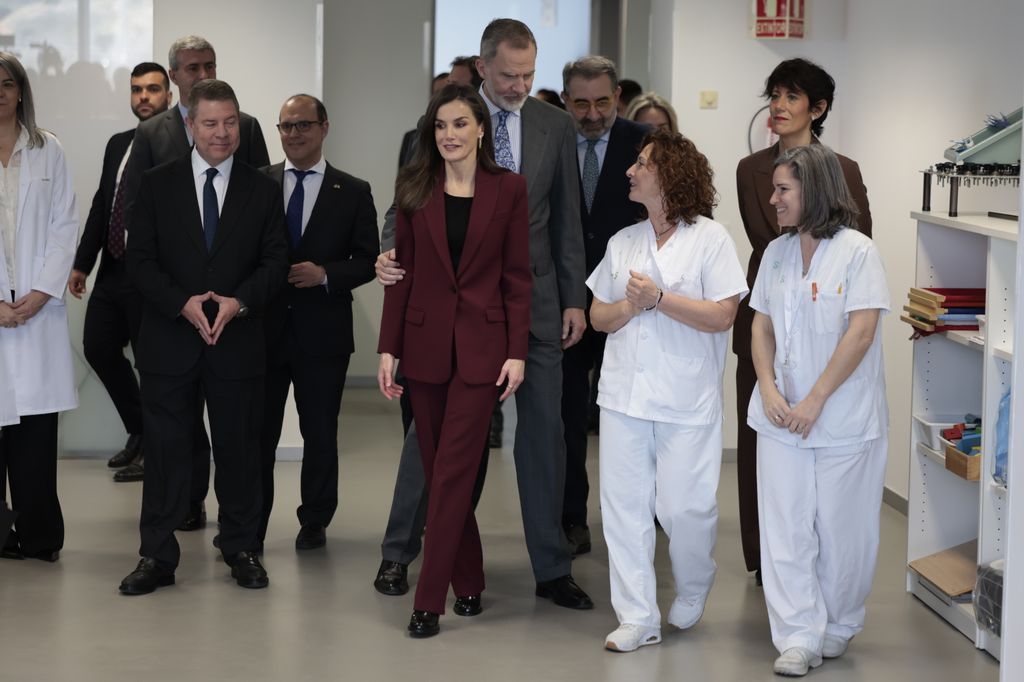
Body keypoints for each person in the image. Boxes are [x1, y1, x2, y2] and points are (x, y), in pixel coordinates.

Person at [373, 18, 592, 612]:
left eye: (529, 74)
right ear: (483, 67)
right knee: (433, 440)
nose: (520, 85)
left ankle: (550, 568)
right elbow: (406, 204)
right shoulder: (444, 123)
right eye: (508, 75)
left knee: (543, 438)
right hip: (452, 314)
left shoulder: (555, 126)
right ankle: (400, 552)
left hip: (536, 308)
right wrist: (391, 249)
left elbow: (568, 220)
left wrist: (575, 298)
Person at [118, 79, 288, 595]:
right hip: (170, 340)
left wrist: (239, 303)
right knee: (168, 452)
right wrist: (180, 303)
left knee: (239, 448)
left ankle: (241, 549)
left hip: (236, 341)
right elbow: (139, 260)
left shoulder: (261, 188)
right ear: (189, 125)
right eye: (210, 123)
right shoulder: (155, 183)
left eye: (230, 122)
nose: (222, 133)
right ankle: (157, 556)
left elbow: (276, 260)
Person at [377, 83, 530, 638]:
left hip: (483, 354)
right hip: (422, 349)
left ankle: (428, 599)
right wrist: (388, 348)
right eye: (440, 126)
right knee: (445, 469)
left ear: (482, 128)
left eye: (460, 124)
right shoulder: (415, 187)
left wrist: (517, 351)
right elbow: (401, 275)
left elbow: (517, 278)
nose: (450, 135)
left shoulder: (509, 189)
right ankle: (469, 580)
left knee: (453, 471)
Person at [588, 130, 747, 652]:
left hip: (686, 399)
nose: (630, 171)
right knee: (624, 509)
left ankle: (695, 582)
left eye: (642, 163)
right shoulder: (623, 241)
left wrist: (659, 299)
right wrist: (630, 307)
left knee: (685, 508)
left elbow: (723, 315)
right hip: (624, 397)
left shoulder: (710, 239)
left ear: (669, 175)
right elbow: (598, 317)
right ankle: (637, 616)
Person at [749, 143, 888, 676]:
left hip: (843, 418)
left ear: (815, 192)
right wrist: (767, 386)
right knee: (784, 527)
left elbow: (862, 332)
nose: (773, 198)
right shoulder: (776, 252)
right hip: (781, 414)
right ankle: (797, 635)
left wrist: (815, 399)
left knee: (843, 530)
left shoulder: (857, 252)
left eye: (784, 189)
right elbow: (760, 324)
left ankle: (839, 623)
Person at [734, 57, 872, 586]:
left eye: (791, 97)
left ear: (817, 109)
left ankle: (820, 557)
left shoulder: (845, 169)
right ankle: (765, 555)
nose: (778, 106)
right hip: (766, 315)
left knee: (823, 441)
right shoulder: (752, 169)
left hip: (827, 324)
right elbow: (768, 243)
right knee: (761, 436)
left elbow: (858, 244)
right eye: (774, 95)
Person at [259, 94, 378, 550]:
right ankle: (251, 520)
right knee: (258, 434)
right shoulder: (259, 183)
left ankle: (315, 519)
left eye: (303, 125)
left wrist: (326, 274)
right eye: (286, 126)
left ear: (324, 127)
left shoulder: (352, 191)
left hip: (323, 334)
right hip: (265, 331)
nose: (294, 134)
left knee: (320, 433)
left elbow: (369, 260)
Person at [68, 62, 173, 483]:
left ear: (170, 95)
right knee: (97, 346)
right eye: (136, 90)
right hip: (112, 269)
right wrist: (82, 262)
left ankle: (156, 450)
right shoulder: (118, 144)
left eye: (152, 90)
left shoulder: (177, 145)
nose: (143, 97)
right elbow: (103, 204)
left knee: (152, 364)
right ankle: (141, 430)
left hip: (151, 274)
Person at [558, 55, 646, 556]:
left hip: (628, 302)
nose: (592, 114)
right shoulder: (551, 140)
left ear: (618, 98)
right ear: (567, 99)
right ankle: (572, 517)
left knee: (628, 416)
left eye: (602, 102)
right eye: (581, 103)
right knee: (567, 416)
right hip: (568, 300)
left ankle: (633, 516)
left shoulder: (643, 143)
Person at [0, 52, 79, 562]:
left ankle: (40, 536)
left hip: (36, 308)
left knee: (34, 435)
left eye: (6, 84)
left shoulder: (46, 149)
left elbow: (65, 224)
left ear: (21, 91)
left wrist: (40, 293)